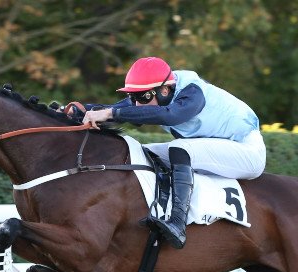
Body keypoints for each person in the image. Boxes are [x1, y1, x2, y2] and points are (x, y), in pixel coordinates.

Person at [81, 57, 266, 249]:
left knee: (180, 148)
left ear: (164, 90)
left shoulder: (193, 93)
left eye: (142, 97)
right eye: (133, 97)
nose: (137, 104)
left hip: (247, 152)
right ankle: (155, 210)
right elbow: (114, 109)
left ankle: (178, 224)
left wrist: (110, 114)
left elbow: (169, 115)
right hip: (219, 147)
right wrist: (77, 112)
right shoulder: (160, 90)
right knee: (143, 153)